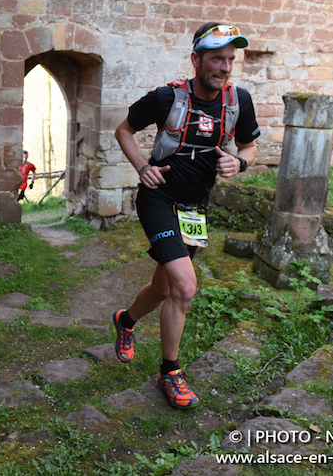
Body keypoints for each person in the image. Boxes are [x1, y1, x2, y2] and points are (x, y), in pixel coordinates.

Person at [112, 23, 261, 409]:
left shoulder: (238, 100)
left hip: (194, 211)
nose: (224, 67)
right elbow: (124, 130)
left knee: (164, 289)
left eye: (230, 59)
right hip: (159, 200)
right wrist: (142, 166)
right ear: (196, 59)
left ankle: (125, 322)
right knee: (186, 287)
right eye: (216, 58)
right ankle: (170, 371)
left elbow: (249, 145)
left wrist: (240, 162)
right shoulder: (165, 98)